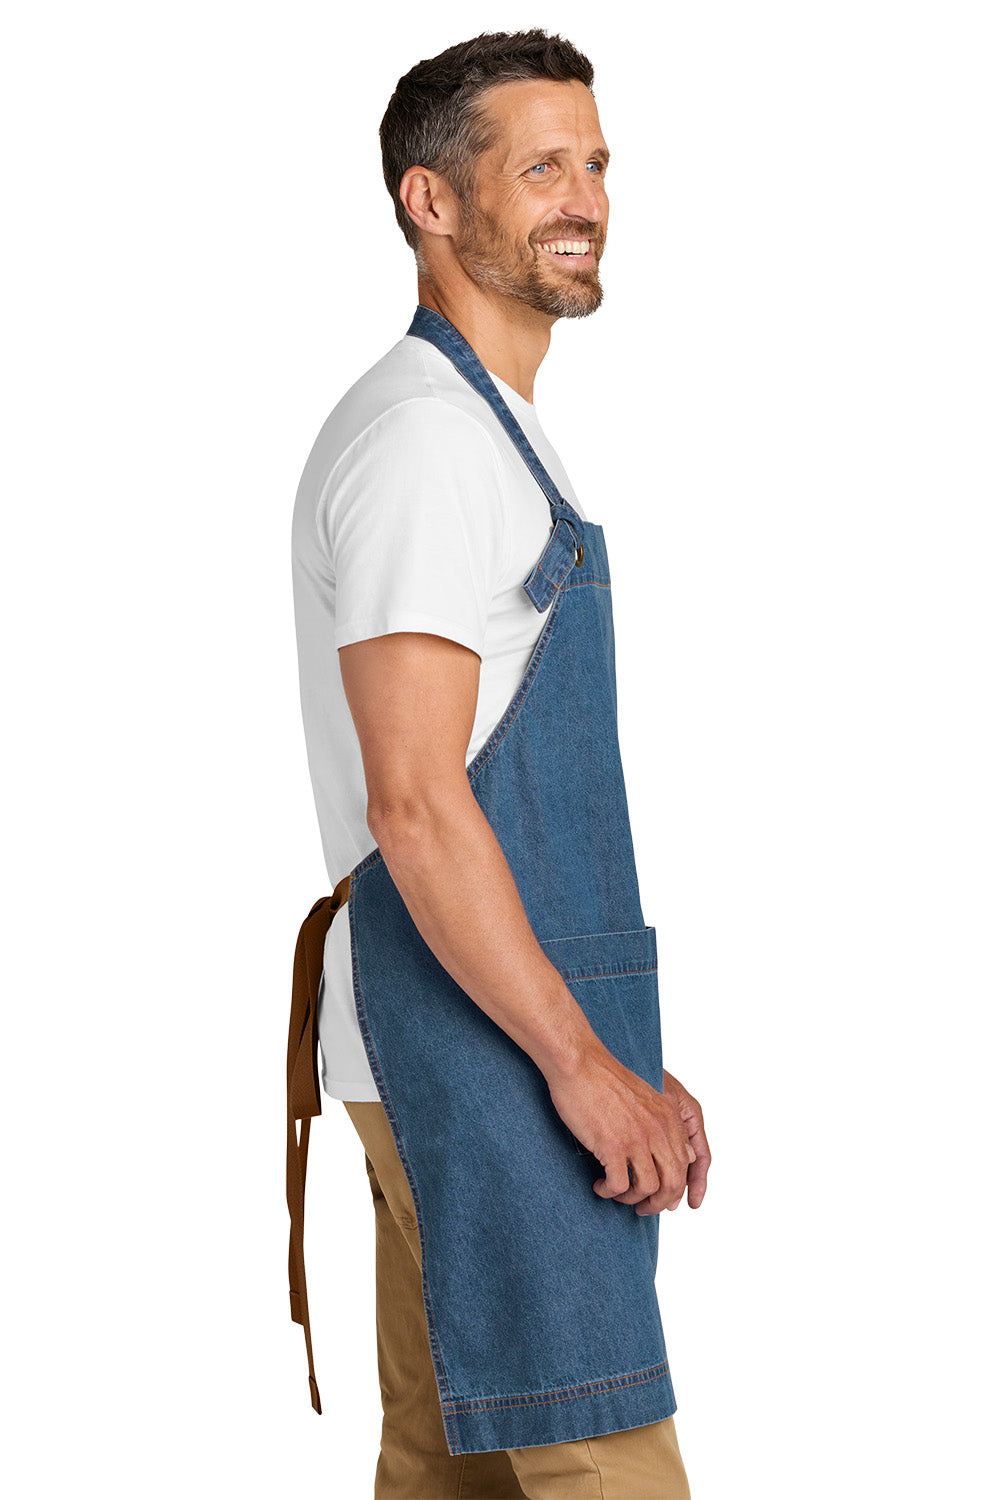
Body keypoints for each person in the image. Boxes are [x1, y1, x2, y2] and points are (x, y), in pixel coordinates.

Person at [288, 28, 711, 1500]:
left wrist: (612, 1045)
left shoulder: (490, 433)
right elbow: (414, 799)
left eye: (594, 163)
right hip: (474, 1057)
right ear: (432, 201)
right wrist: (581, 1063)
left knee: (453, 1475)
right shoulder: (426, 446)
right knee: (608, 1468)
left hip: (488, 1041)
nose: (584, 195)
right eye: (541, 166)